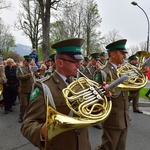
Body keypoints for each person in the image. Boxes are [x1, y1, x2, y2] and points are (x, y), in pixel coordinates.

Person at [21, 38, 91, 150]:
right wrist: (44, 130)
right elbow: (27, 126)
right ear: (60, 63)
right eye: (75, 62)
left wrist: (103, 97)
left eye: (80, 62)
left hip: (83, 145)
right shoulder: (43, 87)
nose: (79, 65)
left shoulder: (79, 84)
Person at [95, 39, 130, 150]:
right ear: (113, 54)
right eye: (122, 53)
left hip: (124, 118)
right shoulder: (102, 72)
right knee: (108, 148)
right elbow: (96, 98)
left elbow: (130, 93)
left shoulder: (123, 71)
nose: (124, 56)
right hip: (112, 119)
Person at [16, 55, 35, 123]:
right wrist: (28, 75)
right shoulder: (20, 68)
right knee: (23, 104)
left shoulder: (31, 67)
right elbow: (19, 77)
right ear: (25, 61)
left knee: (30, 105)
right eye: (28, 61)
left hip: (31, 88)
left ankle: (29, 117)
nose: (29, 63)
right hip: (23, 89)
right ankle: (21, 117)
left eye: (30, 61)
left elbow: (34, 77)